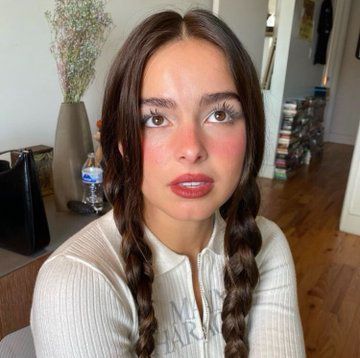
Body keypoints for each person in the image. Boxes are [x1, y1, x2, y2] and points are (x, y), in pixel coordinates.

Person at [30, 8, 306, 358]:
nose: (191, 149)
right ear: (122, 142)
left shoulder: (266, 246)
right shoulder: (78, 281)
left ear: (250, 130)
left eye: (219, 114)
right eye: (156, 118)